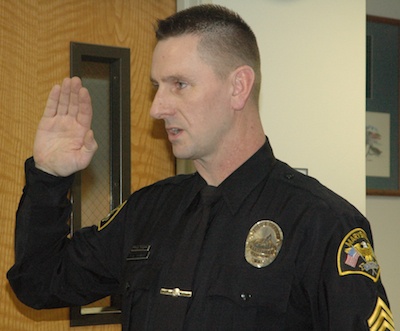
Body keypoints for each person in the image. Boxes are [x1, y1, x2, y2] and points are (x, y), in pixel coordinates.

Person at [7, 4, 395, 331]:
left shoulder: (321, 223)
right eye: (157, 86)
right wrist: (49, 177)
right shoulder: (149, 211)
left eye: (179, 84)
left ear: (238, 87)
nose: (157, 108)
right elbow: (39, 283)